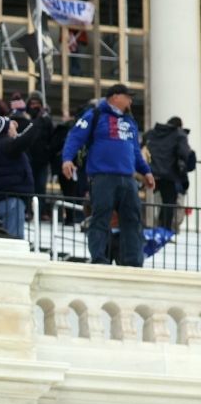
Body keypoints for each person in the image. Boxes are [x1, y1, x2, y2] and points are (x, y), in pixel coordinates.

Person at [62, 84, 155, 267]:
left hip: (128, 178)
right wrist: (67, 159)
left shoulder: (130, 122)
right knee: (100, 218)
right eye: (127, 96)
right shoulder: (95, 115)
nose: (130, 101)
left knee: (133, 220)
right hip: (103, 177)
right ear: (115, 97)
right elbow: (75, 137)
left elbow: (135, 151)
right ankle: (99, 258)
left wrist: (146, 171)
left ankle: (133, 261)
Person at [0, 115, 36, 240]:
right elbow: (24, 140)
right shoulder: (6, 145)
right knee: (14, 240)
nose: (15, 129)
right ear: (7, 130)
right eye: (12, 126)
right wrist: (37, 123)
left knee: (6, 239)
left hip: (4, 199)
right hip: (12, 200)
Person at [143, 117, 193, 230]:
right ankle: (165, 230)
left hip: (152, 173)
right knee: (169, 203)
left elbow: (143, 146)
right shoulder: (179, 135)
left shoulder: (153, 133)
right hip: (170, 175)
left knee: (154, 203)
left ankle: (156, 228)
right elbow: (184, 153)